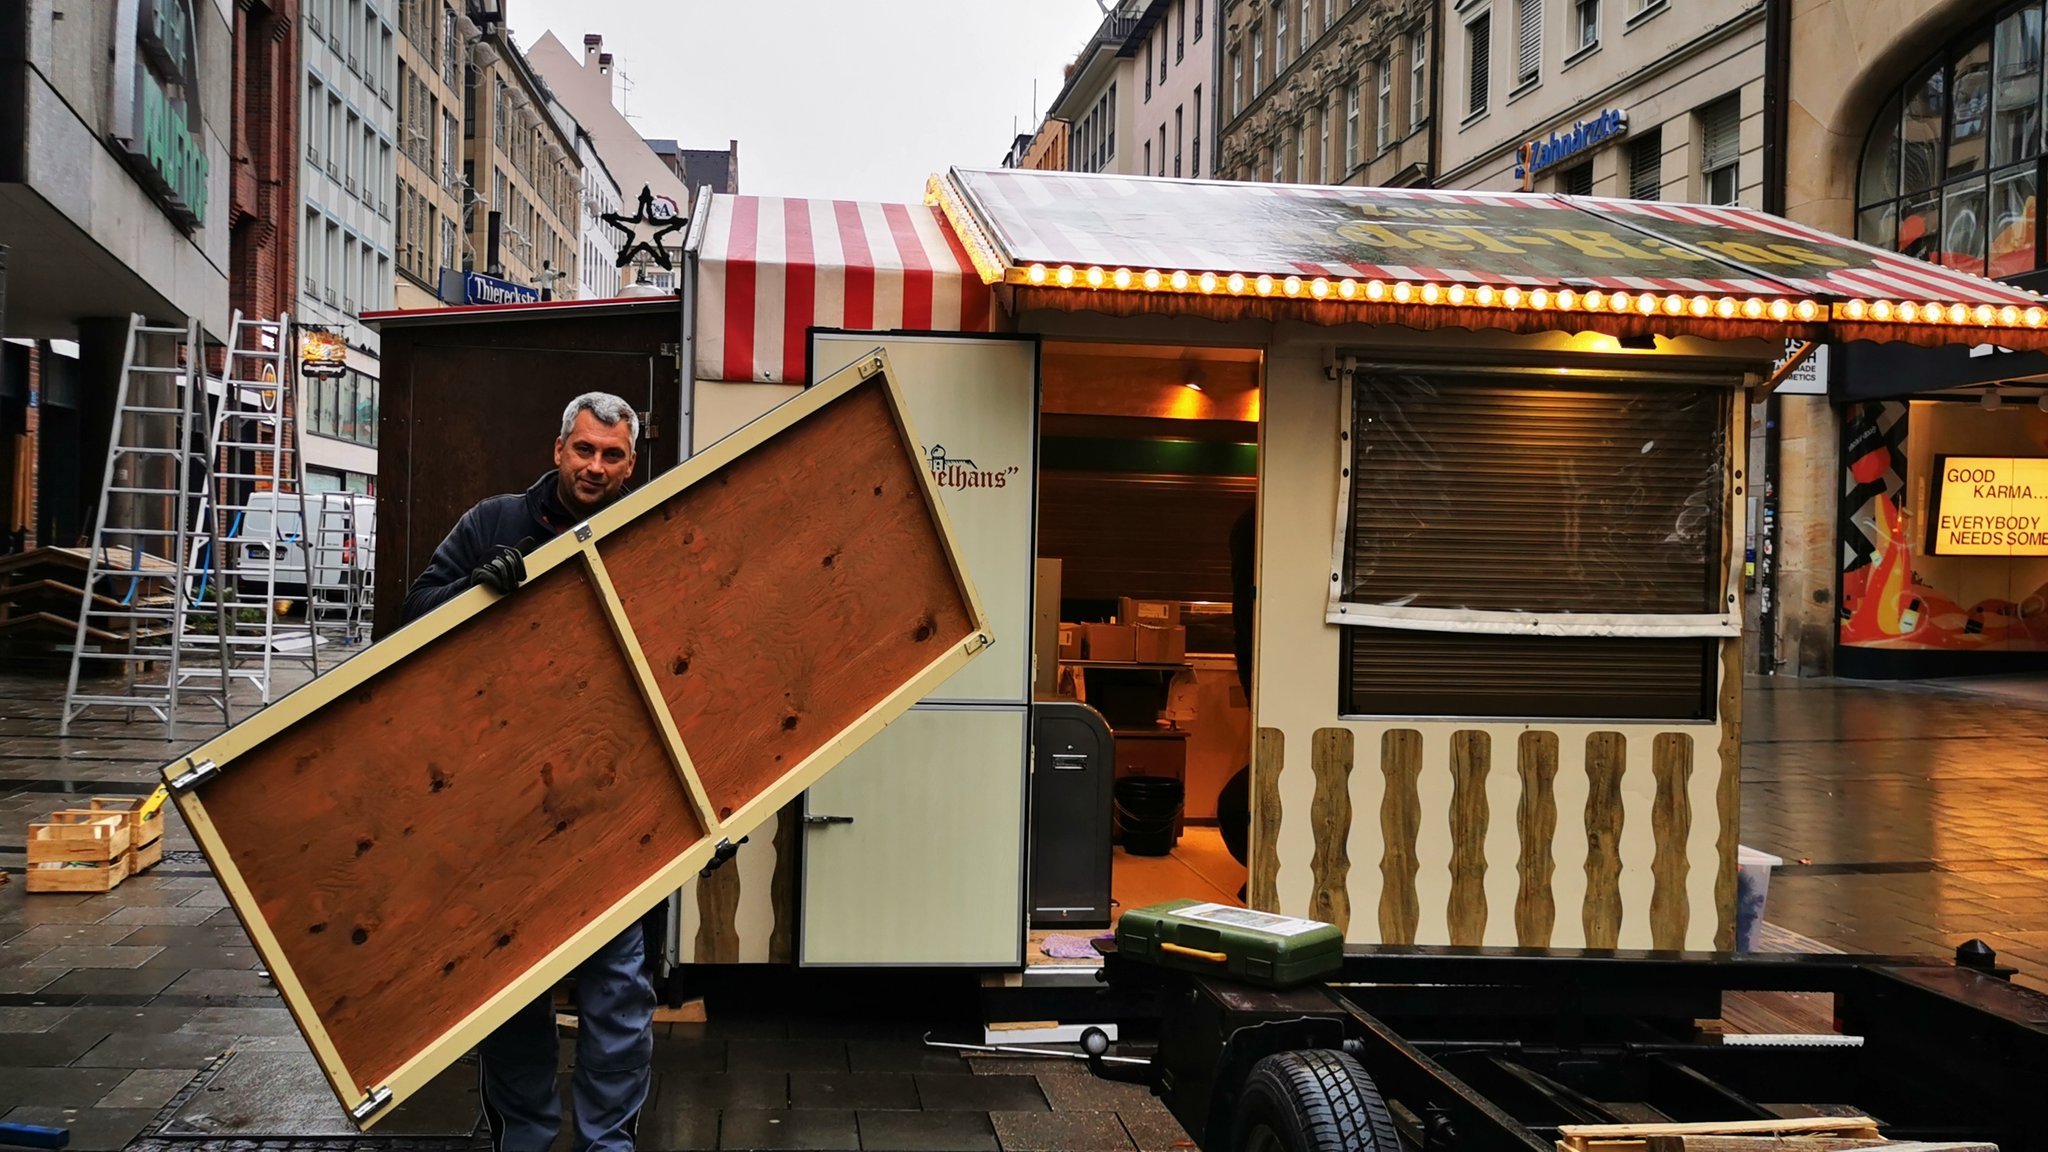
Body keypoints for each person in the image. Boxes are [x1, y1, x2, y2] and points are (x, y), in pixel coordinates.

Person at [399, 392, 654, 1152]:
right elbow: (414, 615)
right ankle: (527, 1143)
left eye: (612, 456)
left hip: (610, 805)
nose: (595, 467)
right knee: (513, 992)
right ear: (558, 449)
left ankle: (609, 1145)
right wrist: (483, 589)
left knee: (618, 992)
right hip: (506, 801)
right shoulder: (493, 524)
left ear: (631, 465)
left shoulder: (653, 531)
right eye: (585, 450)